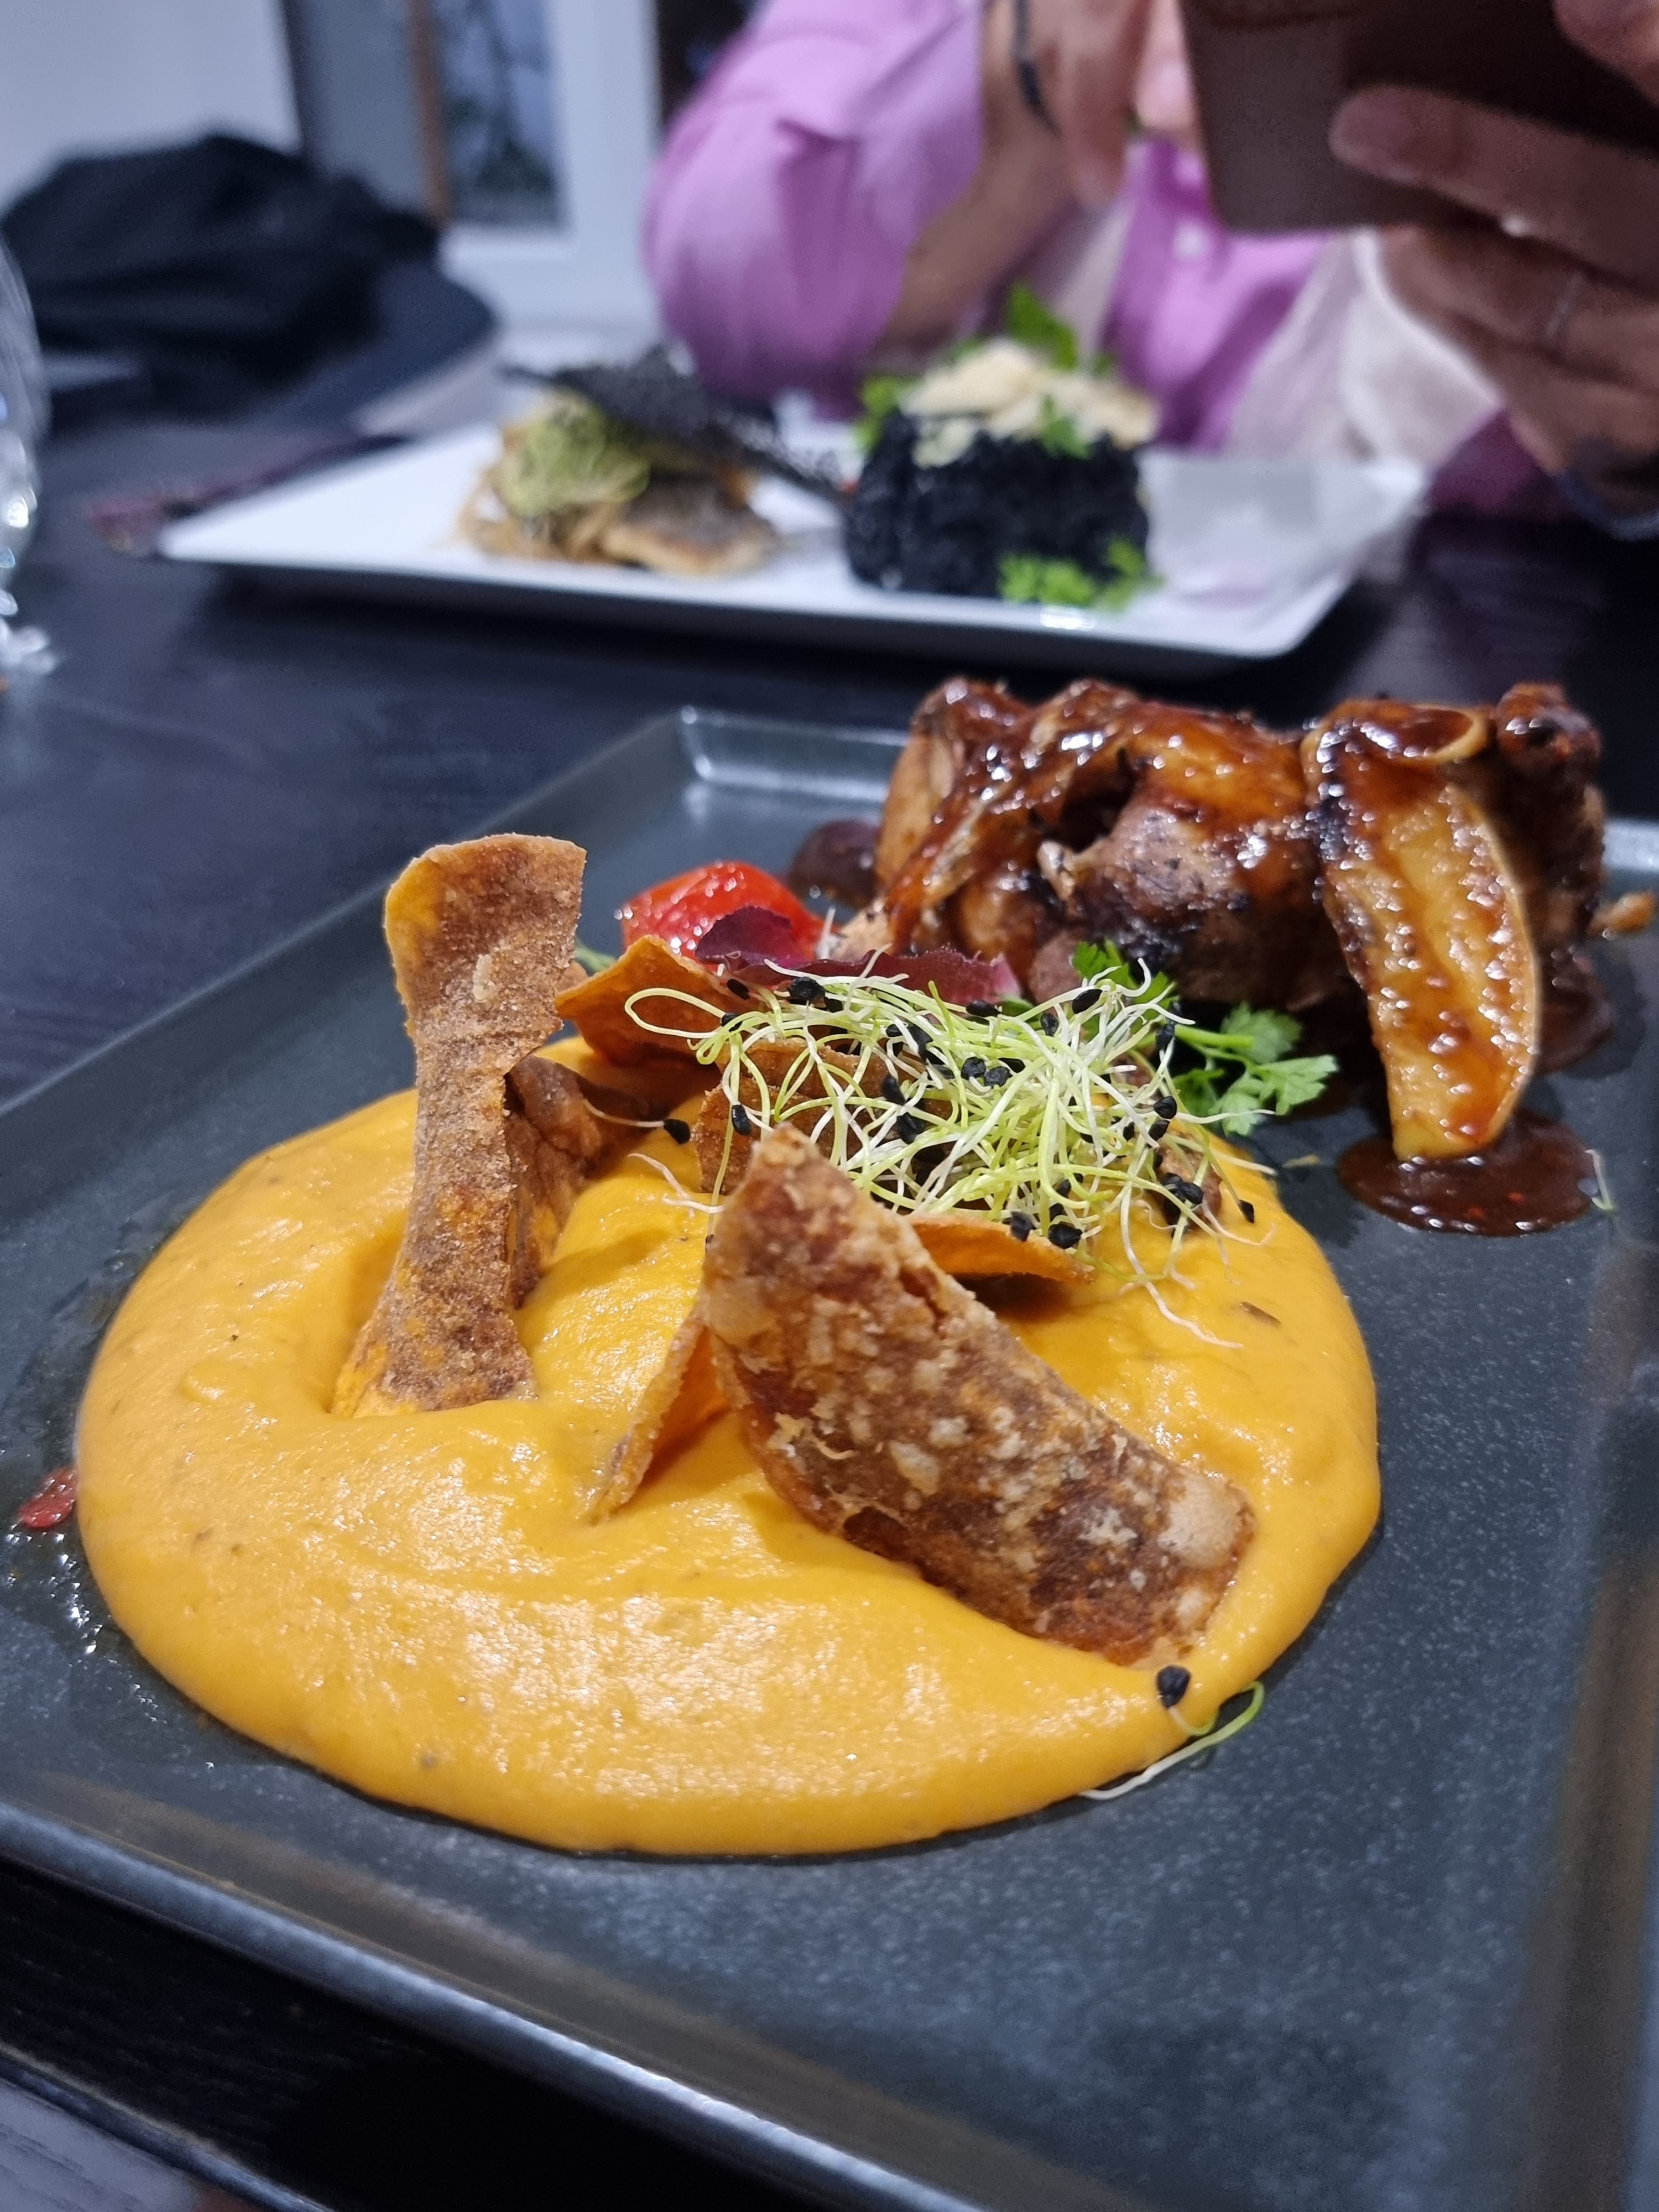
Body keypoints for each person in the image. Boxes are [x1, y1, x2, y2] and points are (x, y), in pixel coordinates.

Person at [644, 0, 1659, 531]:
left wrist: (1630, 450)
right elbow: (715, 272)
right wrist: (1026, 64)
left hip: (1465, 683)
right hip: (902, 677)